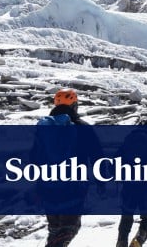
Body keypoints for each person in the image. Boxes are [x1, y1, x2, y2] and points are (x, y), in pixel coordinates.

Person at [36, 88, 101, 247]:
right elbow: (97, 156)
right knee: (69, 228)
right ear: (74, 106)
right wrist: (101, 182)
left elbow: (35, 157)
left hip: (48, 184)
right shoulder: (82, 127)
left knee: (55, 228)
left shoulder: (45, 128)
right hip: (73, 185)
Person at [116, 120, 147, 247]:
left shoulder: (127, 142)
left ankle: (121, 242)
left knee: (126, 216)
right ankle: (139, 239)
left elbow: (116, 161)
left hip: (129, 186)